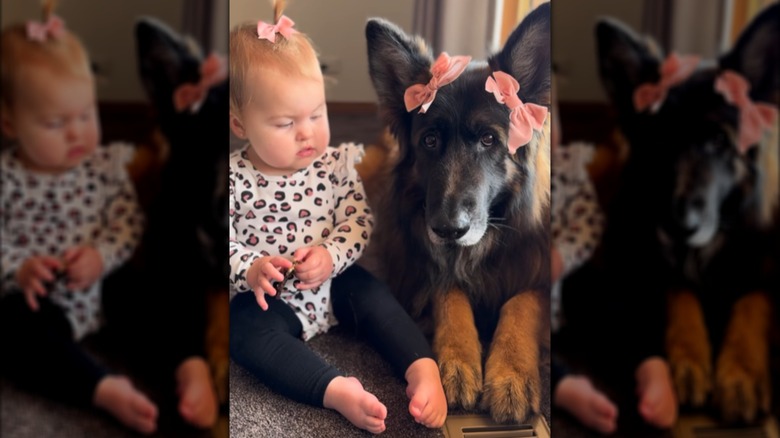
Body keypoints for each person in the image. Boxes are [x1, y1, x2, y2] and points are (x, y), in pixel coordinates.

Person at [227, 3, 447, 434]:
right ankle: (333, 389)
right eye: (286, 122)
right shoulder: (234, 180)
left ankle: (422, 367)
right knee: (242, 333)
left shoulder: (336, 165)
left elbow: (358, 221)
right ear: (240, 124)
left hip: (336, 279)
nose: (307, 132)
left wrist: (331, 255)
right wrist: (250, 268)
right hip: (270, 298)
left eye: (316, 114)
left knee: (379, 300)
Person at [0, 5, 218, 433]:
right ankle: (99, 387)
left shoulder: (107, 166)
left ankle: (190, 364)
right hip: (39, 300)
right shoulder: (6, 179)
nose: (77, 132)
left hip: (109, 288)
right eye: (56, 122)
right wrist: (19, 269)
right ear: (10, 123)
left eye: (85, 115)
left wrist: (101, 257)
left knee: (164, 294)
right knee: (9, 330)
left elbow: (128, 224)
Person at [550, 80, 677, 433]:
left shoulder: (568, 169)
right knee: (504, 333)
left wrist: (561, 256)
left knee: (614, 300)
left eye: (549, 115)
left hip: (570, 281)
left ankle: (649, 363)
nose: (541, 130)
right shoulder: (497, 176)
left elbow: (588, 221)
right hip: (519, 291)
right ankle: (562, 386)